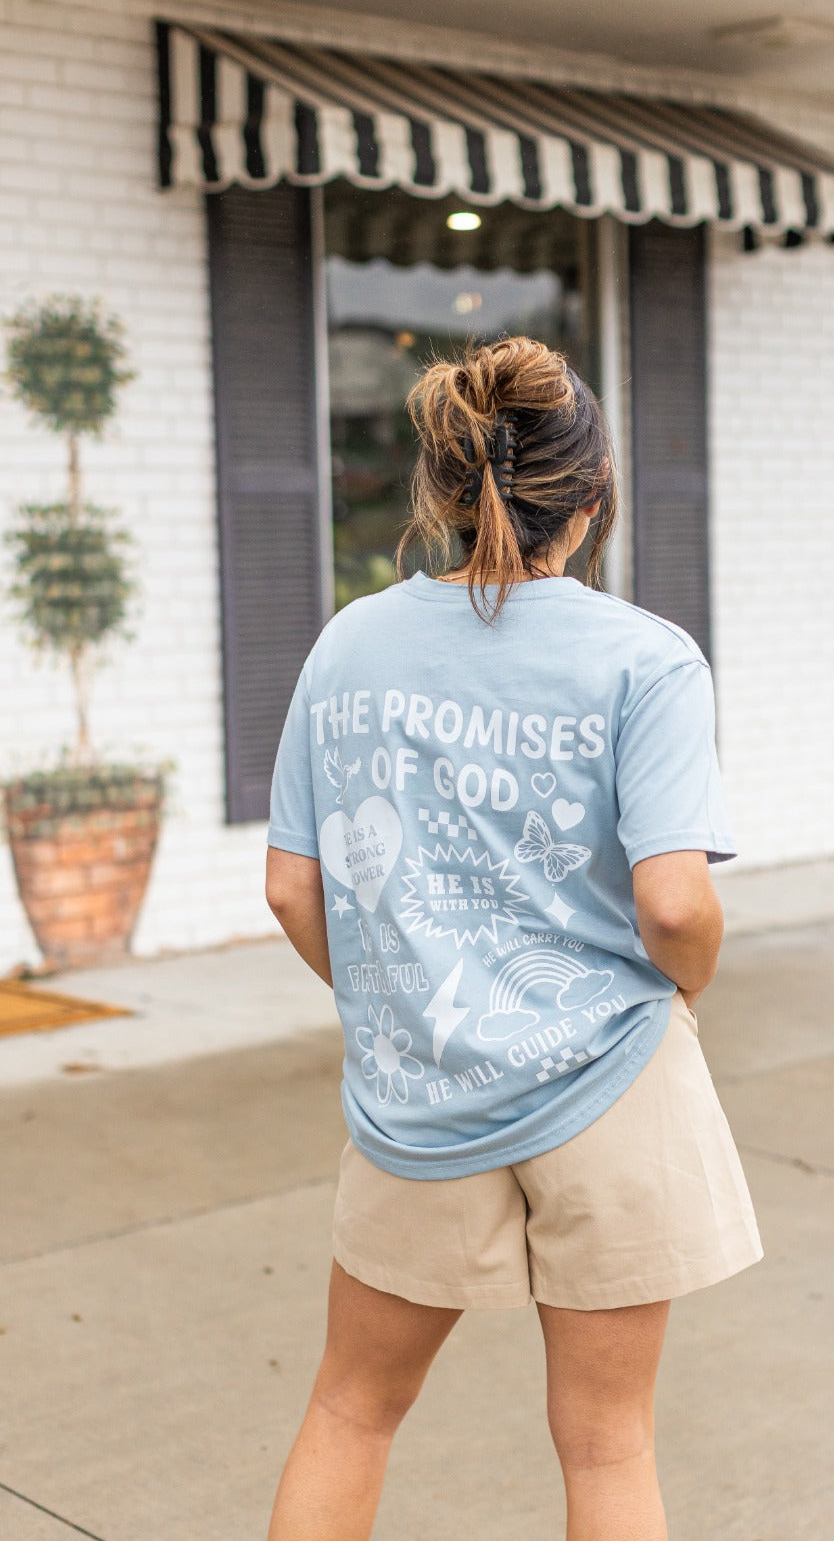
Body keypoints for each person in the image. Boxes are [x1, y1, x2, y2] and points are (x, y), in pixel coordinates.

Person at [264, 335, 762, 1541]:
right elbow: (677, 905)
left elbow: (291, 889)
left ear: (437, 492)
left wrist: (395, 997)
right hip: (610, 1077)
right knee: (608, 1445)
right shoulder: (646, 659)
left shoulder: (349, 646)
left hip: (417, 1087)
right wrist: (684, 991)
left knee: (350, 1410)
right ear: (590, 506)